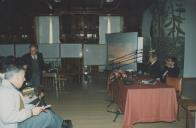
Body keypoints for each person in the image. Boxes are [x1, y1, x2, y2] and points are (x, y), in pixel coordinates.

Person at [0, 64, 70, 128]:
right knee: (47, 116)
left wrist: (33, 107)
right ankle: (61, 124)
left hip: (18, 122)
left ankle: (61, 123)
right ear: (17, 78)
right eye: (23, 77)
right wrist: (31, 112)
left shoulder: (10, 88)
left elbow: (19, 106)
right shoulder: (5, 92)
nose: (24, 79)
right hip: (15, 125)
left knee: (45, 111)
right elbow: (7, 118)